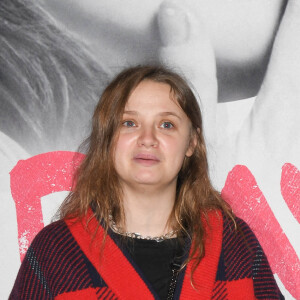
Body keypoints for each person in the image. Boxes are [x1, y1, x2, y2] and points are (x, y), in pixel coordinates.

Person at [9, 65, 284, 299]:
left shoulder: (235, 242)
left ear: (192, 142)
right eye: (129, 123)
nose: (148, 138)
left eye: (167, 124)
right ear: (107, 140)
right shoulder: (56, 250)